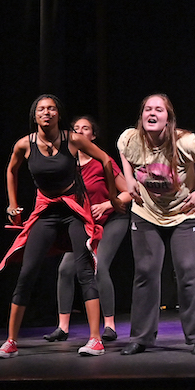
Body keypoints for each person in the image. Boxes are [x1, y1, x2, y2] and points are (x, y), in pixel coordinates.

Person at [0, 95, 118, 359]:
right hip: (46, 211)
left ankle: (96, 339)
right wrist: (12, 204)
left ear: (58, 115)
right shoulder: (25, 145)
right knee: (27, 272)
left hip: (72, 208)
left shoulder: (72, 140)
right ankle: (10, 341)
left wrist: (114, 199)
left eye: (51, 109)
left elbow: (106, 160)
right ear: (35, 115)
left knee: (84, 269)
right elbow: (12, 170)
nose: (46, 113)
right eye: (41, 109)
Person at [116, 94, 195, 356]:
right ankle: (140, 337)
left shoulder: (186, 142)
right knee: (145, 271)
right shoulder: (129, 139)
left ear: (168, 118)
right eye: (147, 110)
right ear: (141, 116)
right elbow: (123, 154)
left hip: (186, 213)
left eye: (159, 110)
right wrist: (129, 181)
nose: (152, 114)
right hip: (146, 213)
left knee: (187, 269)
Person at [44, 115, 129, 344]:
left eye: (85, 128)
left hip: (111, 220)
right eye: (75, 129)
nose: (80, 132)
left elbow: (128, 192)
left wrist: (108, 203)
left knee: (99, 267)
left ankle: (109, 325)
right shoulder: (65, 164)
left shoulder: (102, 160)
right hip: (84, 223)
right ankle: (62, 327)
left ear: (93, 135)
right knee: (64, 269)